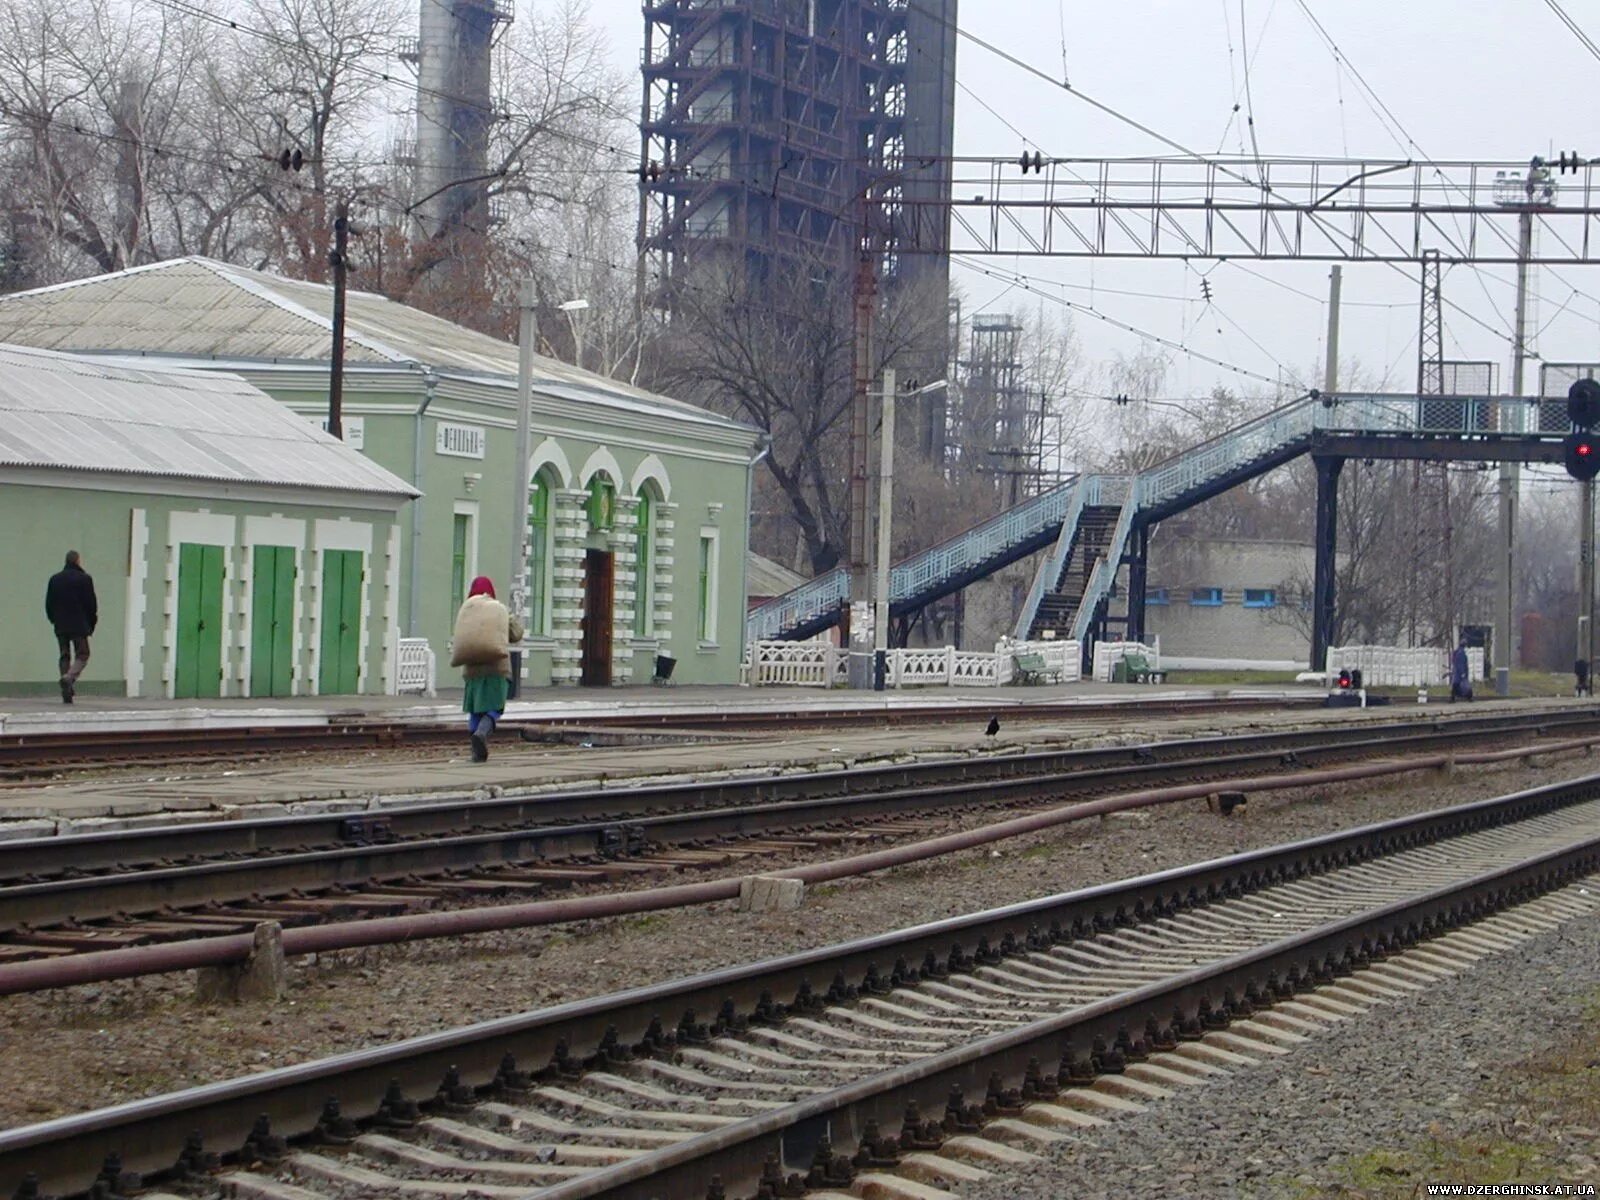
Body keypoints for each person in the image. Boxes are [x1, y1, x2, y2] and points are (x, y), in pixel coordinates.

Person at [450, 576, 523, 762]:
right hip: (496, 669)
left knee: (475, 710)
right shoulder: (497, 609)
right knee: (494, 708)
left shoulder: (466, 610)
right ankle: (482, 733)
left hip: (472, 672)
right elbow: (516, 633)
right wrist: (507, 615)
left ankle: (476, 753)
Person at [45, 550, 97, 704]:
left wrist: (53, 619)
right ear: (78, 561)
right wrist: (91, 623)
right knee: (83, 654)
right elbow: (91, 604)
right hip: (79, 624)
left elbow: (49, 603)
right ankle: (69, 678)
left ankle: (66, 690)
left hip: (60, 623)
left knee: (64, 655)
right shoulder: (85, 579)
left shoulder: (55, 579)